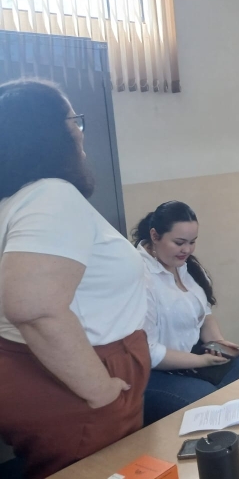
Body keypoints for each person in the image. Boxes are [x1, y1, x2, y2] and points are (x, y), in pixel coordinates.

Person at [0, 80, 149, 479]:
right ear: (49, 131)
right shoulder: (51, 196)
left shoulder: (15, 201)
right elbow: (33, 308)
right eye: (74, 120)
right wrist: (99, 390)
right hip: (76, 375)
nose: (80, 132)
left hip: (49, 368)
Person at [134, 202, 239, 425]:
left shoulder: (186, 267)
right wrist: (200, 360)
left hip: (194, 356)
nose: (186, 250)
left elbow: (205, 314)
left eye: (192, 242)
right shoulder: (140, 275)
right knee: (210, 404)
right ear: (155, 236)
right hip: (155, 371)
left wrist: (217, 343)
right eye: (179, 243)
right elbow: (149, 352)